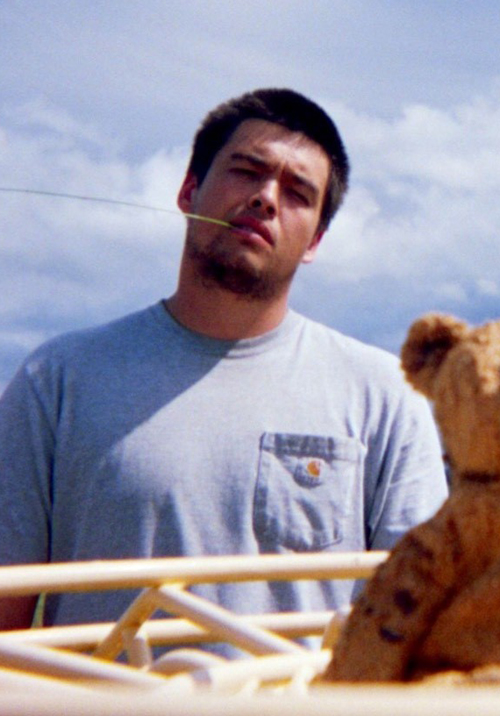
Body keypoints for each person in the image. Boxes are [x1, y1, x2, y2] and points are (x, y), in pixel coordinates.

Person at [0, 88, 447, 640]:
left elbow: (422, 630)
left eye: (298, 193)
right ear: (190, 188)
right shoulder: (56, 380)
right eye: (247, 171)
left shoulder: (386, 396)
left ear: (315, 242)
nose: (265, 198)